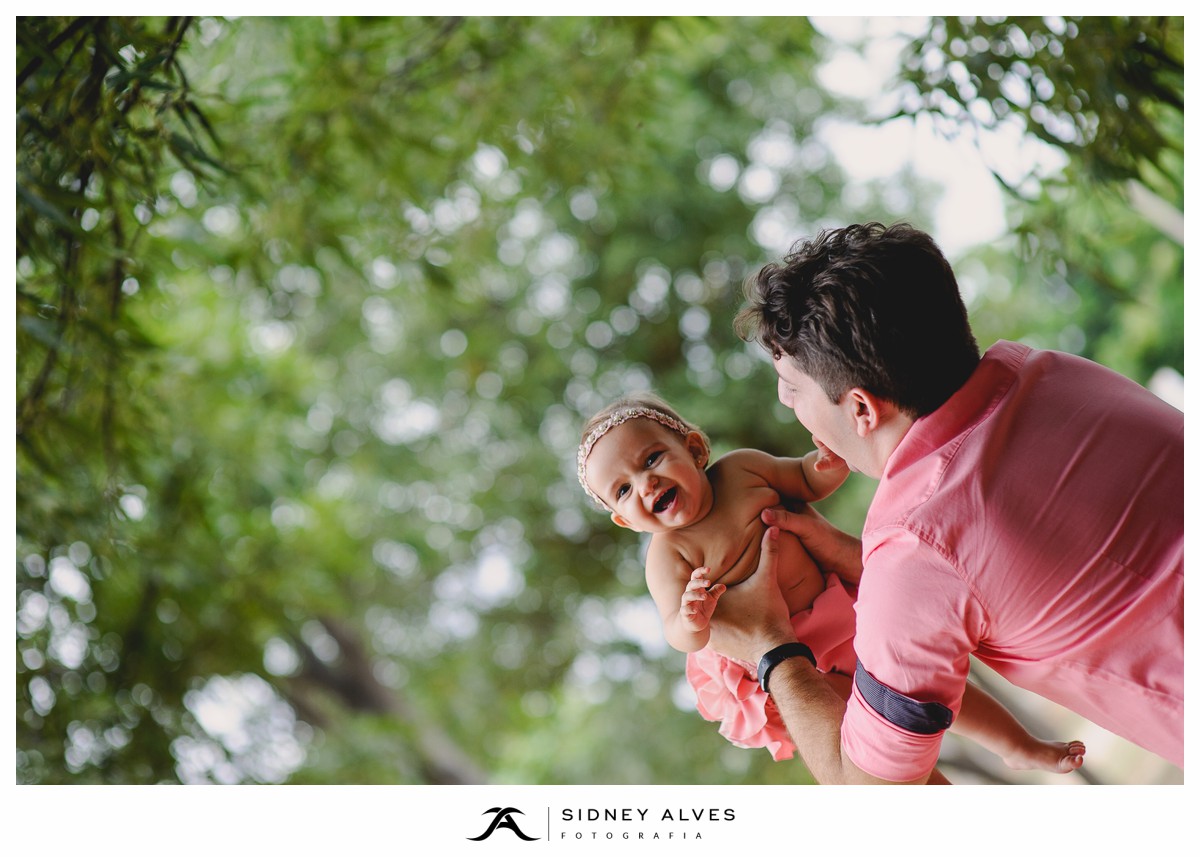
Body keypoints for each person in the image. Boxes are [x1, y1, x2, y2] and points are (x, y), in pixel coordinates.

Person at [707, 221, 1183, 785]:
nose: (788, 407)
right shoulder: (1058, 375)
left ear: (861, 410)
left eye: (791, 388)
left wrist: (773, 652)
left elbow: (874, 801)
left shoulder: (916, 549)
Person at [577, 392, 1087, 775]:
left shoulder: (742, 470)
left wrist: (828, 462)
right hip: (809, 662)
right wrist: (690, 615)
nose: (645, 484)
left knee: (932, 690)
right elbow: (677, 632)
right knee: (874, 744)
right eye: (623, 490)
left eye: (651, 460)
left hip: (849, 608)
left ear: (693, 448)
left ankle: (1014, 743)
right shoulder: (668, 555)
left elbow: (803, 478)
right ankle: (927, 788)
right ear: (626, 520)